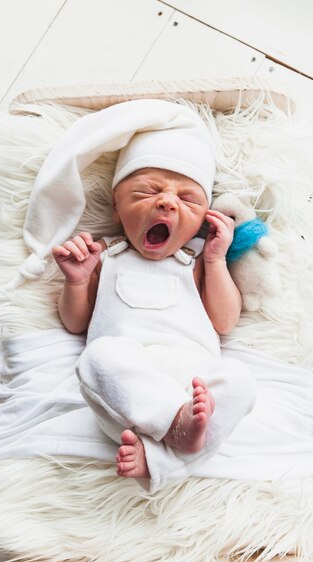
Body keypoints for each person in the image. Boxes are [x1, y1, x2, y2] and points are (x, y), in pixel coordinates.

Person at [51, 119, 257, 487]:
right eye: (147, 192)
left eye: (188, 199)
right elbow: (75, 323)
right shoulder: (106, 258)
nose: (166, 201)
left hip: (195, 387)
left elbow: (224, 322)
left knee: (240, 381)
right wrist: (77, 281)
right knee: (98, 358)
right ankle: (173, 433)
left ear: (201, 221)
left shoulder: (196, 261)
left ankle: (164, 455)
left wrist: (215, 260)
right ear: (116, 208)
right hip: (130, 398)